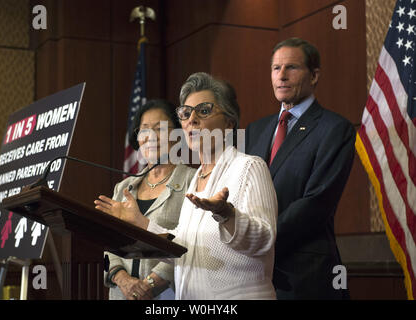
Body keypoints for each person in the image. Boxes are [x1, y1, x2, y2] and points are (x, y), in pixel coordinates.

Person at [95, 72, 278, 300]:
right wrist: (140, 223)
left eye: (204, 111)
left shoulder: (249, 167)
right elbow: (183, 251)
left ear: (229, 122)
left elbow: (264, 241)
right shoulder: (196, 180)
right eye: (186, 113)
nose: (191, 120)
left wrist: (226, 214)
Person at [246, 38, 355, 299]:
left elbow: (316, 203)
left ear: (314, 75)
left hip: (304, 276)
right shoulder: (255, 130)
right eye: (275, 68)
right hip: (253, 275)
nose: (281, 76)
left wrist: (258, 241)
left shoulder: (335, 128)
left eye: (291, 67)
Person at [100, 99, 196, 300]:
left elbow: (189, 245)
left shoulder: (191, 182)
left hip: (167, 295)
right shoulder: (124, 187)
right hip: (120, 294)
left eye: (159, 129)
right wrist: (123, 280)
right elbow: (107, 244)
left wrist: (148, 285)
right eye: (144, 130)